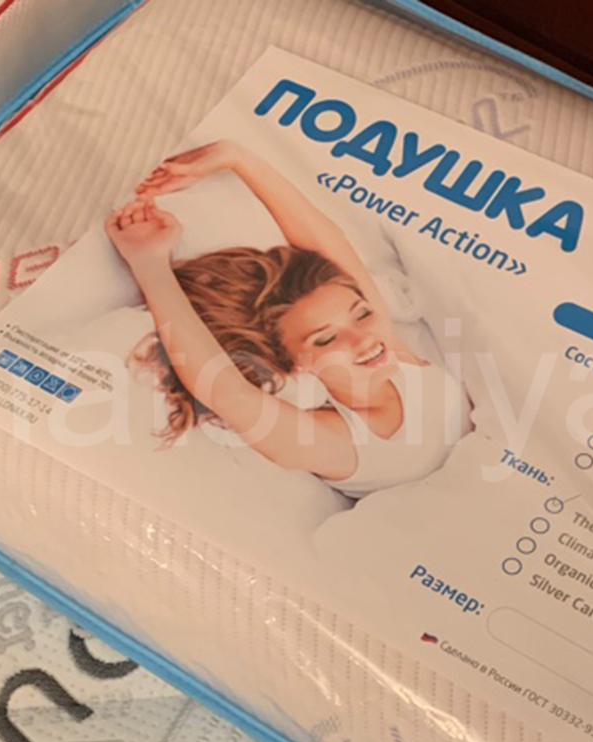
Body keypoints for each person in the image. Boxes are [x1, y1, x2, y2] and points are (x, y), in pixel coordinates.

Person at [106, 139, 467, 497]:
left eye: (362, 313)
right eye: (325, 339)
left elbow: (333, 247)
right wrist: (150, 264)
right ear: (294, 364)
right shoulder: (339, 442)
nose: (363, 339)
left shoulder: (387, 350)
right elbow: (228, 393)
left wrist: (240, 158)